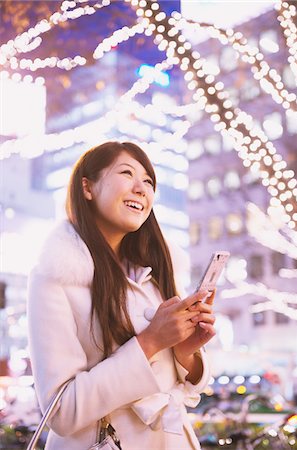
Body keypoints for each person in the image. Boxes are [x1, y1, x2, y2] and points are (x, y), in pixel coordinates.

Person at [27, 141, 216, 450]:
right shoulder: (55, 276)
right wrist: (151, 342)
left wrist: (186, 352)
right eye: (127, 173)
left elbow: (182, 384)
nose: (141, 189)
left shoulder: (157, 275)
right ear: (87, 187)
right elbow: (61, 410)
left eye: (149, 182)